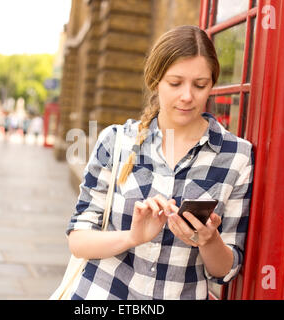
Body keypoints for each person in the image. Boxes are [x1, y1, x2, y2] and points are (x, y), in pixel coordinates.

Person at [66, 25, 254, 300]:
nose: (187, 96)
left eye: (200, 85)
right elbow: (78, 240)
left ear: (212, 83)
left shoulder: (237, 156)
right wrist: (133, 237)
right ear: (155, 81)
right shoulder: (115, 141)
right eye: (175, 83)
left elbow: (225, 270)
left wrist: (208, 239)